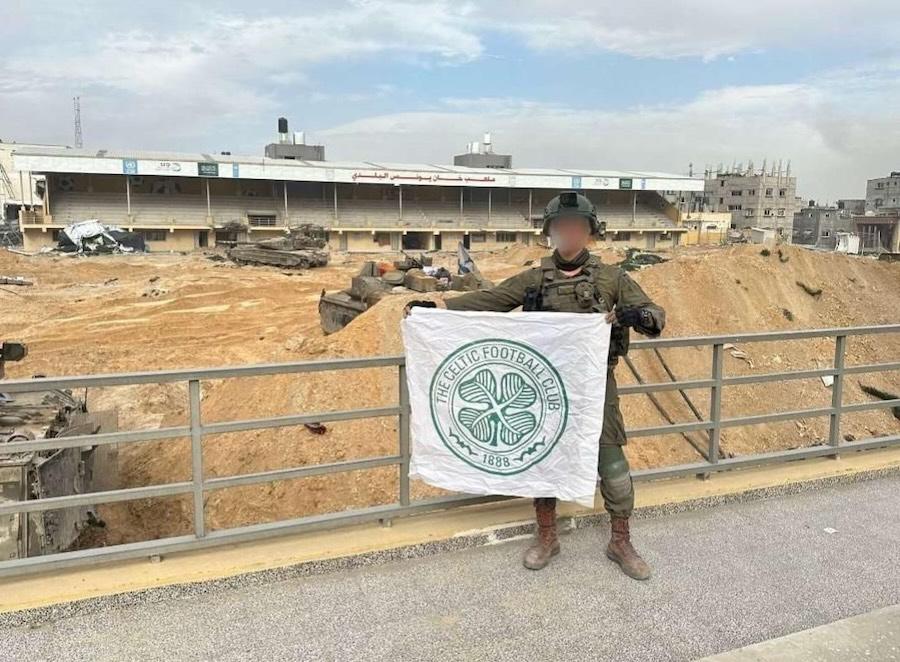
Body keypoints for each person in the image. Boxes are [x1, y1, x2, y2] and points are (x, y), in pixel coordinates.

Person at [407, 191, 665, 580]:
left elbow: (657, 318)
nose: (569, 234)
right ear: (550, 232)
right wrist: (440, 309)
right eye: (561, 227)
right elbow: (491, 300)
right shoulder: (535, 278)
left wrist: (638, 314)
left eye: (577, 227)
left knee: (612, 466)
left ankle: (620, 540)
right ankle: (547, 535)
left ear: (590, 232)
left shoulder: (612, 278)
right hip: (544, 391)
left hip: (595, 388)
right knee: (542, 459)